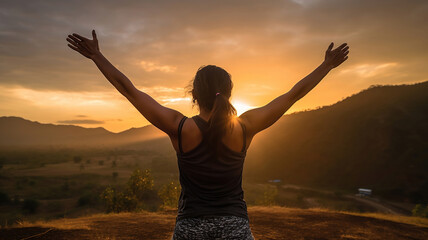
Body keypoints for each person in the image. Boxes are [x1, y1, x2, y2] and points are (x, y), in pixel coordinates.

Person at [66, 30, 349, 240]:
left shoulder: (180, 127)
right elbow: (292, 96)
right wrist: (326, 65)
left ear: (194, 95)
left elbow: (128, 89)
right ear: (228, 93)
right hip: (235, 227)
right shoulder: (245, 127)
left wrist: (96, 56)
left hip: (189, 228)